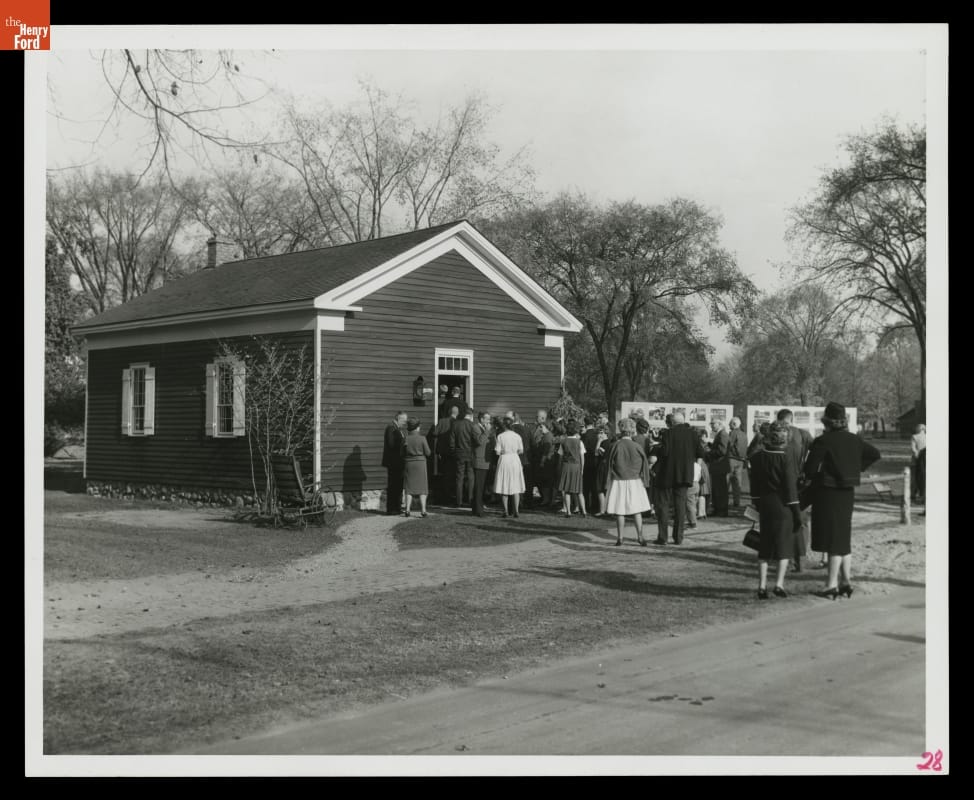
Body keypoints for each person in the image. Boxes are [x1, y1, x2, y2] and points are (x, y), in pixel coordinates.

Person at [803, 402, 882, 600]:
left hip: (828, 492)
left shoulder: (823, 441)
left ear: (826, 421)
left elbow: (809, 470)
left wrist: (820, 474)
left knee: (832, 540)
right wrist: (855, 468)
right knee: (842, 538)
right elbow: (875, 454)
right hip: (847, 493)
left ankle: (831, 585)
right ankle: (846, 581)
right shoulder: (854, 439)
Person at [748, 421, 803, 599]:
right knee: (783, 548)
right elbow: (790, 488)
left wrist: (757, 504)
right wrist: (797, 513)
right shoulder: (785, 457)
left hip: (765, 505)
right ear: (785, 438)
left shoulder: (757, 457)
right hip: (783, 506)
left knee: (764, 547)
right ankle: (778, 584)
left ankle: (762, 586)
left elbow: (754, 486)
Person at [654, 412, 706, 544]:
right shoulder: (692, 434)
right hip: (684, 474)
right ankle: (678, 537)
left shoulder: (668, 433)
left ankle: (663, 537)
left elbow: (664, 452)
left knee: (663, 505)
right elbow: (700, 452)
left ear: (672, 422)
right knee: (680, 506)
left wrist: (656, 449)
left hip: (667, 474)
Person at [604, 417, 653, 545]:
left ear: (621, 429)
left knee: (620, 511)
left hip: (619, 480)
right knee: (636, 510)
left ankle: (620, 538)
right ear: (632, 430)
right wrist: (644, 479)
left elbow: (608, 464)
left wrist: (608, 479)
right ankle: (640, 536)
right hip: (635, 481)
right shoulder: (637, 446)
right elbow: (644, 464)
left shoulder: (615, 445)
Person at [778, 408, 814, 572]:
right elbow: (816, 452)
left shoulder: (775, 434)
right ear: (791, 419)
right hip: (799, 483)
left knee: (785, 521)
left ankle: (787, 559)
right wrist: (807, 470)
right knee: (802, 520)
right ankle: (801, 558)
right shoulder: (803, 434)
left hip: (781, 483)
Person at [494, 416, 526, 518]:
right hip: (515, 459)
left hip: (504, 459)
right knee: (515, 485)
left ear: (504, 425)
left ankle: (505, 511)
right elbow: (521, 450)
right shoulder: (517, 436)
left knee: (504, 484)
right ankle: (516, 510)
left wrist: (504, 451)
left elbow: (497, 451)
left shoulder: (500, 436)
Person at [402, 418, 432, 517]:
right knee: (422, 488)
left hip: (409, 463)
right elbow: (428, 452)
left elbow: (401, 453)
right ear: (417, 427)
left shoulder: (405, 438)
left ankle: (407, 509)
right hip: (420, 464)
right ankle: (423, 510)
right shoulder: (422, 438)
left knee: (409, 487)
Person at [450, 408, 478, 508]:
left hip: (459, 453)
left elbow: (452, 441)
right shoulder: (472, 425)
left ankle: (459, 501)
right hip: (470, 453)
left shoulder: (455, 424)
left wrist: (454, 451)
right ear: (471, 415)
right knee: (471, 477)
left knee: (459, 477)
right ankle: (470, 500)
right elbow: (476, 440)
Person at [431, 406, 459, 505]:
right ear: (457, 413)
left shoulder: (442, 421)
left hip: (442, 452)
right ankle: (450, 496)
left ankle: (443, 496)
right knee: (452, 475)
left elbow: (435, 433)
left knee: (444, 474)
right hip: (453, 452)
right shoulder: (458, 423)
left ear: (449, 412)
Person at [558, 419, 586, 516]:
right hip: (577, 466)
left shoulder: (563, 442)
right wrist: (582, 469)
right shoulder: (580, 442)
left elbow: (560, 457)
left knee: (567, 491)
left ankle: (569, 512)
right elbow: (582, 457)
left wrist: (560, 468)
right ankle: (584, 511)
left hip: (566, 466)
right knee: (579, 491)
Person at [382, 411, 408, 515]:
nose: (405, 423)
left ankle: (397, 507)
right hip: (393, 462)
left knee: (399, 486)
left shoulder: (398, 429)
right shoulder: (391, 428)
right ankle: (391, 509)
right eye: (404, 420)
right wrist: (403, 444)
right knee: (393, 485)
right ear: (399, 419)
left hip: (399, 462)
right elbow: (391, 444)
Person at [471, 411, 494, 517]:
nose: (489, 421)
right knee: (479, 487)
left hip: (486, 461)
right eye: (487, 419)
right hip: (479, 461)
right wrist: (487, 431)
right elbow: (479, 441)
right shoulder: (475, 428)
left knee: (483, 487)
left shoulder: (485, 428)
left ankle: (478, 508)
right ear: (481, 419)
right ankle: (478, 510)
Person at [707, 418, 730, 516]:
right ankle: (718, 509)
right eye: (711, 424)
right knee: (718, 489)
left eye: (713, 423)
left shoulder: (722, 434)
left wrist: (709, 452)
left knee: (720, 489)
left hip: (720, 466)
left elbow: (722, 451)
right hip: (719, 466)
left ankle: (721, 510)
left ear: (719, 424)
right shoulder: (720, 434)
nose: (711, 425)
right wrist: (711, 445)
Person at [726, 416, 749, 510]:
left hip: (731, 459)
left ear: (734, 424)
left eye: (730, 423)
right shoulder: (744, 434)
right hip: (741, 461)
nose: (729, 425)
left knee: (727, 482)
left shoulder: (733, 433)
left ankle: (724, 502)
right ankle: (737, 502)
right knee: (737, 483)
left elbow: (728, 445)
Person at [581, 416, 602, 515]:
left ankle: (586, 505)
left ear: (585, 424)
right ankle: (595, 504)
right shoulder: (597, 434)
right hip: (595, 461)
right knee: (594, 485)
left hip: (586, 461)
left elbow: (583, 449)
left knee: (586, 486)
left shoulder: (584, 436)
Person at [696, 428, 712, 519]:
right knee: (703, 491)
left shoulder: (701, 446)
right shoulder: (707, 446)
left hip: (700, 467)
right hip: (704, 467)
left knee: (701, 491)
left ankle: (700, 512)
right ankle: (702, 512)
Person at [910, 423, 926, 504]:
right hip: (925, 460)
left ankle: (913, 494)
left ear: (918, 429)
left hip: (916, 460)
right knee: (924, 477)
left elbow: (913, 449)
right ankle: (923, 495)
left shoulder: (914, 437)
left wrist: (917, 456)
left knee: (914, 477)